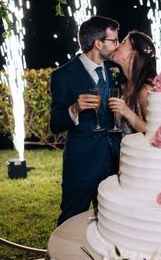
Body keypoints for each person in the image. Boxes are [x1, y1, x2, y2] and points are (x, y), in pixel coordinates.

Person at [50, 16, 123, 226]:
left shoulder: (113, 70)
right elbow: (55, 124)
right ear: (98, 44)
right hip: (82, 163)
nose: (117, 45)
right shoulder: (63, 76)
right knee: (71, 219)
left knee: (110, 220)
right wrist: (74, 109)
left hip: (112, 161)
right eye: (114, 41)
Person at [108, 30, 157, 134]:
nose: (117, 45)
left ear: (133, 54)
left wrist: (126, 111)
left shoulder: (146, 91)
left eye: (123, 42)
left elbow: (154, 131)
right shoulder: (121, 86)